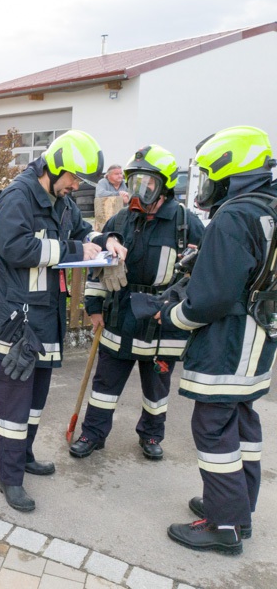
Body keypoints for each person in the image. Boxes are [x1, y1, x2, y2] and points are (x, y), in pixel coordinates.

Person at [0, 130, 127, 512]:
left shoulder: (60, 200)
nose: (76, 186)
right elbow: (13, 247)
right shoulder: (18, 197)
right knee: (14, 406)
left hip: (43, 319)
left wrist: (106, 239)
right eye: (74, 177)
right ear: (55, 167)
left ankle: (23, 456)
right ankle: (9, 478)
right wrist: (74, 250)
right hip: (15, 321)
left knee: (35, 402)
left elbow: (82, 230)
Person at [157, 126, 277, 555]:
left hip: (228, 341)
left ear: (231, 172)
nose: (205, 184)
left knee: (213, 429)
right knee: (242, 423)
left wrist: (171, 314)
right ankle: (237, 508)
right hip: (259, 338)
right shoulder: (268, 206)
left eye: (209, 175)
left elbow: (211, 298)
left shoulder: (234, 216)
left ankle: (223, 526)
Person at [70, 145, 205, 461]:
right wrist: (94, 308)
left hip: (162, 323)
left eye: (148, 182)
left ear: (165, 185)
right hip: (120, 316)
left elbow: (203, 273)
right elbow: (99, 268)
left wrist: (180, 304)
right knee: (104, 385)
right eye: (134, 181)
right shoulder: (121, 219)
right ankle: (93, 434)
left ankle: (151, 435)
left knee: (157, 390)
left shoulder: (186, 223)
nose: (139, 189)